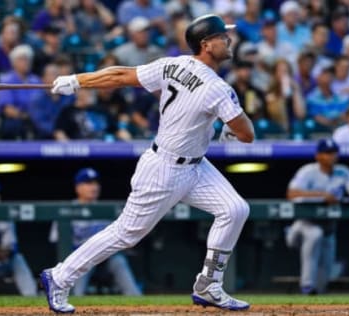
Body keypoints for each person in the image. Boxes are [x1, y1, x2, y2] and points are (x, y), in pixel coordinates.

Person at [40, 14, 254, 313]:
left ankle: (209, 285)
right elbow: (247, 134)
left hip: (194, 166)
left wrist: (77, 81)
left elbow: (119, 76)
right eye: (222, 37)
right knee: (126, 233)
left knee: (234, 209)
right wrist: (230, 128)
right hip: (164, 169)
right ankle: (60, 276)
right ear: (206, 44)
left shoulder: (172, 64)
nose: (228, 40)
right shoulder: (216, 87)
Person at [285, 138, 349, 295]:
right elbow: (291, 193)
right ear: (318, 156)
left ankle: (312, 296)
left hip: (329, 228)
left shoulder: (343, 172)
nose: (332, 156)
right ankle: (306, 285)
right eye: (327, 153)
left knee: (324, 277)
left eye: (334, 153)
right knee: (314, 234)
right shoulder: (307, 171)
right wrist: (322, 195)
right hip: (304, 225)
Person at [49, 168, 142, 296]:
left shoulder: (106, 210)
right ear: (78, 187)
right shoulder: (67, 209)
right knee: (82, 261)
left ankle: (135, 299)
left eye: (95, 183)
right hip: (81, 258)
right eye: (88, 183)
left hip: (106, 258)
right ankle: (74, 299)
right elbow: (57, 241)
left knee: (119, 261)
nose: (93, 187)